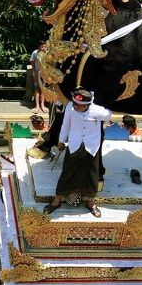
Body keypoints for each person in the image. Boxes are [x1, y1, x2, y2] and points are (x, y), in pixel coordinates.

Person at [43, 88, 111, 217]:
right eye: (75, 104)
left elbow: (109, 114)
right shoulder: (70, 107)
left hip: (92, 147)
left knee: (92, 175)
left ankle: (91, 203)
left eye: (79, 105)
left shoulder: (98, 111)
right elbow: (65, 124)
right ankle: (56, 201)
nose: (76, 107)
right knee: (67, 173)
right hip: (74, 145)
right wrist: (61, 140)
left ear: (88, 104)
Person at [30, 41, 47, 114]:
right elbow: (32, 61)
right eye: (42, 46)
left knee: (43, 89)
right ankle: (37, 106)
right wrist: (34, 71)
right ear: (39, 47)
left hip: (44, 74)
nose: (44, 48)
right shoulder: (35, 53)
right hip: (37, 73)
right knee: (36, 89)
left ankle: (42, 105)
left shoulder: (47, 53)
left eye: (45, 46)